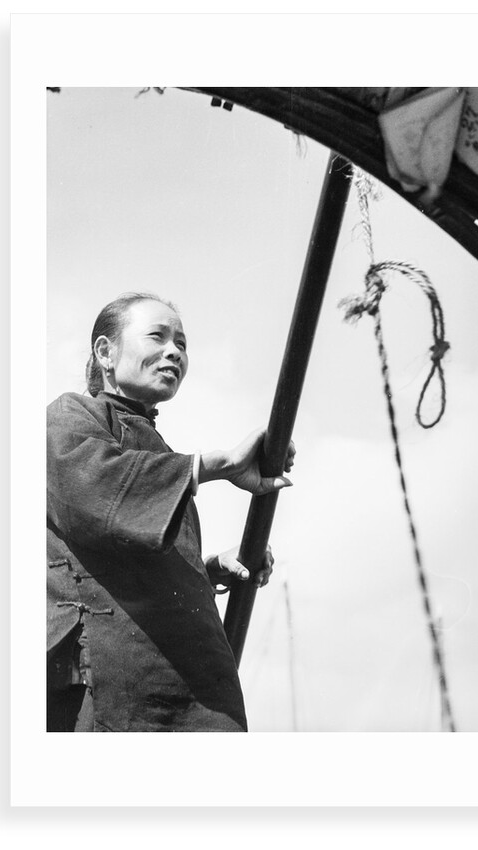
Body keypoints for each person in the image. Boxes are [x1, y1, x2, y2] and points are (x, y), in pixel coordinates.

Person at [47, 292, 295, 732]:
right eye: (157, 337)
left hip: (193, 691)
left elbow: (129, 560)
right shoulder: (69, 417)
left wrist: (211, 568)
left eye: (181, 342)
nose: (174, 352)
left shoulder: (159, 453)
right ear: (105, 352)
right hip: (113, 687)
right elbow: (97, 490)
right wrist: (216, 464)